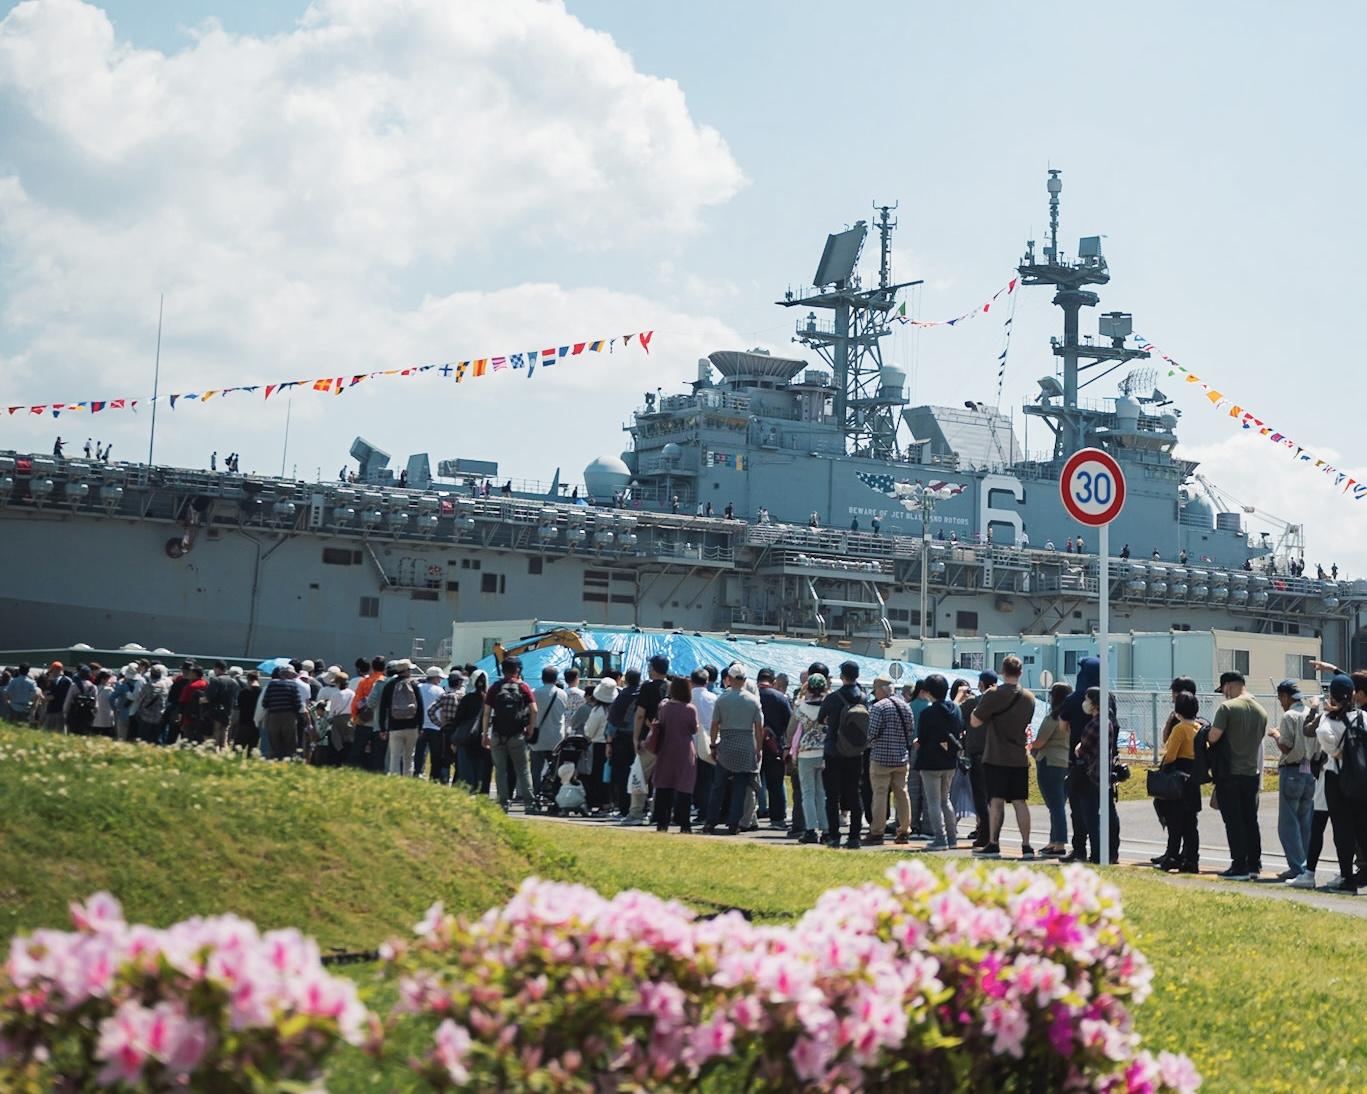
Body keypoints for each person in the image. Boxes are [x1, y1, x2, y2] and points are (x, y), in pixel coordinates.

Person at [971, 655, 1037, 859]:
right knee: (1020, 802)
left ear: (1002, 671)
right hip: (1019, 757)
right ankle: (1026, 845)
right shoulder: (1029, 698)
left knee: (996, 802)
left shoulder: (993, 694)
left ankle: (993, 843)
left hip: (996, 756)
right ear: (1021, 672)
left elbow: (974, 722)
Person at [1208, 670, 1268, 880]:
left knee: (1233, 821)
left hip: (1230, 773)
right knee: (1250, 820)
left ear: (1229, 686)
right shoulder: (1261, 710)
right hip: (1252, 773)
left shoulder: (1227, 708)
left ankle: (1238, 865)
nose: (1223, 694)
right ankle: (1254, 864)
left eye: (1223, 689)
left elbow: (1213, 737)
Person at [1315, 674, 1367, 893]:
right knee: (1362, 828)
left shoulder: (1327, 722)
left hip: (1337, 780)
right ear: (1354, 694)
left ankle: (1347, 879)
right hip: (1362, 778)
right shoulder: (1364, 717)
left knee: (1342, 832)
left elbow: (1331, 751)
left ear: (1332, 696)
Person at [705, 664, 764, 835]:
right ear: (745, 680)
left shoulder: (722, 699)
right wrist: (758, 749)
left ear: (729, 679)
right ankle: (734, 823)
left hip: (726, 745)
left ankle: (710, 822)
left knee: (718, 787)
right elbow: (759, 728)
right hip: (746, 745)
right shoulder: (753, 701)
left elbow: (715, 724)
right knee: (740, 788)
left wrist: (713, 744)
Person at [1269, 679, 1317, 886]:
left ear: (1287, 697)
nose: (1281, 702)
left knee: (1287, 825)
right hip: (1310, 772)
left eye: (1281, 697)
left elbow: (1287, 747)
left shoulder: (1289, 716)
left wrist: (1276, 735)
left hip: (1292, 771)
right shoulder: (1311, 714)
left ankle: (1298, 867)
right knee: (1305, 822)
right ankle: (1304, 866)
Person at [863, 673, 915, 846]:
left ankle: (877, 831)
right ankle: (904, 830)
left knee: (879, 794)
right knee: (902, 794)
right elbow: (910, 731)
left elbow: (871, 733)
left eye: (875, 690)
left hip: (880, 758)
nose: (874, 694)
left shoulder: (878, 708)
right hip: (901, 758)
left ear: (881, 690)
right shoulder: (906, 706)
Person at [818, 660, 866, 849]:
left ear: (842, 676)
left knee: (832, 796)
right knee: (855, 794)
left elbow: (821, 718)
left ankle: (834, 836)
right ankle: (854, 836)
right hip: (856, 751)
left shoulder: (833, 698)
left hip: (834, 751)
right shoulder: (863, 698)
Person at [1154, 691, 1202, 874]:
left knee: (1175, 821)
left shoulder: (1180, 729)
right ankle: (1191, 859)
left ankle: (1172, 856)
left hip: (1178, 779)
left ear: (1178, 710)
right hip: (1193, 778)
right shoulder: (1199, 728)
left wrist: (1162, 768)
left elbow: (1171, 755)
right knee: (1191, 823)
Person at [483, 656, 537, 812]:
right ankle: (529, 802)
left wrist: (485, 733)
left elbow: (487, 713)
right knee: (523, 769)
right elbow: (534, 710)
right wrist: (530, 729)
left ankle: (503, 802)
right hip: (517, 735)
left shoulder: (495, 687)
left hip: (498, 734)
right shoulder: (523, 687)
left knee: (500, 770)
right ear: (517, 670)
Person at [1059, 657, 1101, 862]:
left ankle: (1079, 850)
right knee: (1097, 808)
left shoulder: (1074, 698)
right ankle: (1101, 851)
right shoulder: (1106, 697)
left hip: (1077, 759)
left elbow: (1062, 726)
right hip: (1100, 761)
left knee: (1077, 808)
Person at [914, 674, 962, 850]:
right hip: (950, 761)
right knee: (945, 800)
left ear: (928, 692)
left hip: (930, 761)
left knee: (933, 802)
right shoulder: (956, 709)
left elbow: (923, 738)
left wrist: (917, 744)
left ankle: (940, 838)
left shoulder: (928, 713)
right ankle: (952, 838)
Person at [1074, 686, 1120, 864]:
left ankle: (1097, 853)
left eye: (1087, 699)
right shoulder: (1109, 721)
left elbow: (1082, 749)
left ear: (1093, 703)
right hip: (1105, 773)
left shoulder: (1095, 723)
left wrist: (1078, 747)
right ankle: (1110, 851)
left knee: (1091, 817)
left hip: (1092, 774)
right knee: (1108, 814)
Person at [646, 676, 699, 832]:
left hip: (666, 748)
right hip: (685, 750)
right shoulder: (690, 708)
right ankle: (684, 823)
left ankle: (662, 821)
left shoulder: (665, 707)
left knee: (664, 786)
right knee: (684, 787)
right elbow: (694, 729)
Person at [623, 655, 670, 826]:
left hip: (648, 740)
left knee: (640, 776)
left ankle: (635, 813)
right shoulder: (671, 687)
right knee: (661, 779)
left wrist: (635, 738)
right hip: (667, 740)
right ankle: (657, 813)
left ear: (654, 669)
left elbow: (640, 714)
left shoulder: (647, 687)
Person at [1030, 682, 1073, 858]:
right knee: (1059, 804)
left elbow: (1040, 741)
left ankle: (1060, 843)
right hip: (1066, 762)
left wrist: (1031, 748)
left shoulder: (1053, 718)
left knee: (1054, 805)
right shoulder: (1072, 717)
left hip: (1049, 761)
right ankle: (1053, 841)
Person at [788, 671, 829, 844]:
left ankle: (810, 829)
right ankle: (826, 830)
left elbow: (793, 730)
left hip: (806, 752)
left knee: (808, 793)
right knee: (821, 793)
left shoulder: (801, 707)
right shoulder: (828, 706)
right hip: (824, 752)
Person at [962, 670, 996, 847]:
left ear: (981, 685)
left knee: (980, 798)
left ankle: (984, 834)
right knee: (992, 798)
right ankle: (992, 835)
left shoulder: (974, 702)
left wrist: (961, 696)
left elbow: (956, 714)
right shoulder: (1000, 702)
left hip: (977, 754)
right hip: (995, 754)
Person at [756, 668, 792, 830]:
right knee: (775, 784)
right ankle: (777, 819)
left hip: (753, 745)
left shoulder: (751, 695)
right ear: (773, 681)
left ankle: (747, 817)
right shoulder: (780, 698)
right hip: (774, 746)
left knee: (750, 783)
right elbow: (789, 723)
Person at [378, 660, 424, 776]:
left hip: (395, 726)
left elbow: (382, 708)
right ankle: (407, 781)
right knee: (409, 757)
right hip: (412, 726)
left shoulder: (389, 685)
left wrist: (382, 728)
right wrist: (421, 726)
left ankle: (394, 780)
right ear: (406, 671)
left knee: (395, 756)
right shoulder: (413, 685)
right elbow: (420, 707)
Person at [605, 668, 641, 816]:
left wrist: (608, 743)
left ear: (626, 680)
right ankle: (640, 807)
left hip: (621, 740)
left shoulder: (621, 697)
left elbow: (612, 723)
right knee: (641, 775)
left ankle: (624, 808)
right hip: (641, 739)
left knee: (622, 775)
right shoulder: (644, 695)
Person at [530, 666, 568, 800]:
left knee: (536, 769)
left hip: (538, 737)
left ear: (542, 678)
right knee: (555, 770)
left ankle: (536, 794)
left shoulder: (534, 693)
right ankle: (554, 794)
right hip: (556, 738)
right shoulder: (562, 694)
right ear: (556, 678)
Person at [582, 677, 616, 811]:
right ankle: (610, 801)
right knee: (609, 775)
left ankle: (599, 802)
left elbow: (589, 731)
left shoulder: (598, 711)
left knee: (597, 775)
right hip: (612, 744)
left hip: (599, 745)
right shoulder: (614, 709)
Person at [260, 665, 307, 759]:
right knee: (289, 743)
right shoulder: (293, 685)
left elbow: (265, 703)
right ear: (291, 675)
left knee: (274, 742)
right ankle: (288, 760)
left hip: (273, 716)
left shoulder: (272, 684)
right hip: (289, 717)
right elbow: (298, 704)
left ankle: (275, 760)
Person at [62, 665, 98, 736]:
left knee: (72, 734)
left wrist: (65, 712)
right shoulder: (93, 687)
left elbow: (68, 701)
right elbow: (96, 705)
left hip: (74, 713)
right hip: (87, 714)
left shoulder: (74, 685)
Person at [233, 670, 261, 753]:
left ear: (248, 679)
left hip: (244, 723)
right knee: (252, 750)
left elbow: (239, 707)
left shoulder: (243, 692)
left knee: (237, 750)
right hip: (256, 724)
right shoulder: (261, 691)